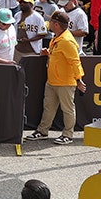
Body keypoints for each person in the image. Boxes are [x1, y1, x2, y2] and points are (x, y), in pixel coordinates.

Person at [27, 10, 86, 144]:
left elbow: (75, 61)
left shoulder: (66, 41)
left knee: (67, 109)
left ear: (56, 24)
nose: (49, 24)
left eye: (51, 22)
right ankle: (42, 131)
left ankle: (68, 135)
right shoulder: (58, 37)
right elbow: (58, 54)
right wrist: (47, 52)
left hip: (65, 82)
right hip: (53, 81)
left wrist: (79, 79)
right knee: (48, 107)